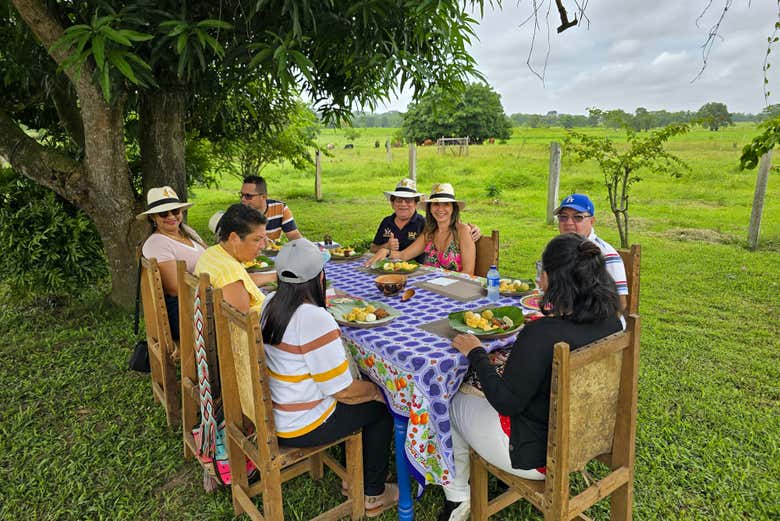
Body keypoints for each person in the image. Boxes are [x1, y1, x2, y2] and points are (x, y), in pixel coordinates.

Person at [439, 233, 623, 521]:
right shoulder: (614, 322)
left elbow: (506, 402)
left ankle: (457, 498)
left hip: (535, 455)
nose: (539, 278)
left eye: (542, 270)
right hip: (591, 435)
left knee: (448, 402)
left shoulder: (541, 334)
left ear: (554, 279)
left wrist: (475, 352)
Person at [260, 238, 398, 516]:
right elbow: (342, 391)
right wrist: (378, 392)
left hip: (277, 410)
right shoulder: (313, 318)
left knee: (373, 396)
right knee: (382, 409)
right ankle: (372, 492)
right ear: (320, 277)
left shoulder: (269, 303)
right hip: (301, 424)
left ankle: (358, 474)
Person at [138, 186, 207, 340]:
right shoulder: (156, 243)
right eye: (163, 213)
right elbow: (175, 288)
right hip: (186, 309)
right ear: (153, 218)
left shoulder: (188, 232)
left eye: (175, 211)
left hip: (204, 297)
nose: (171, 216)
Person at [365, 183, 476, 275]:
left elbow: (468, 272)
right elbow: (403, 255)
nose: (440, 209)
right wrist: (386, 251)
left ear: (453, 208)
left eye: (446, 204)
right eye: (436, 204)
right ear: (430, 208)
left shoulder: (463, 231)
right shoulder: (429, 233)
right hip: (430, 286)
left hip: (456, 289)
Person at [554, 193, 628, 310]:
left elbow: (620, 304)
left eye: (578, 217)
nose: (568, 223)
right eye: (563, 217)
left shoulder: (605, 254)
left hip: (598, 322)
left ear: (592, 221)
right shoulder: (558, 249)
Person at [194, 204, 267, 314]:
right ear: (234, 238)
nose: (263, 246)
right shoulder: (229, 273)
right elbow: (240, 324)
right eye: (257, 240)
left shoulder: (212, 252)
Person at [209, 175, 303, 242]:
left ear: (264, 197)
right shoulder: (237, 215)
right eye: (241, 195)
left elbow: (294, 236)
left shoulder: (280, 208)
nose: (243, 199)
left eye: (248, 196)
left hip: (270, 259)